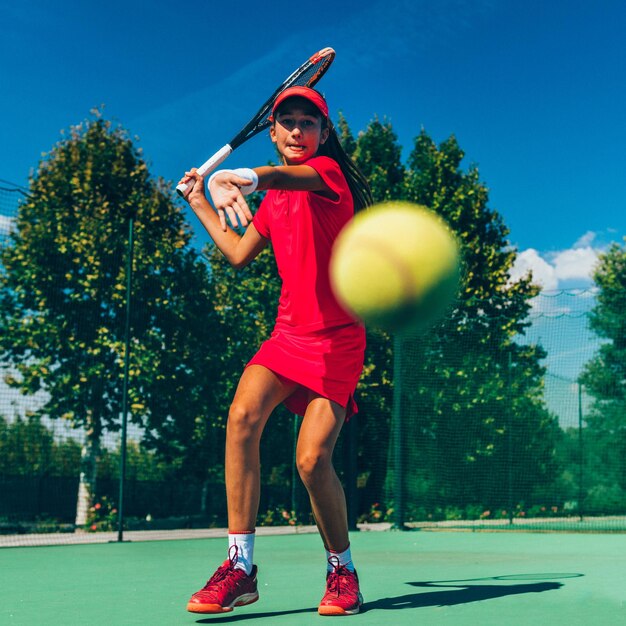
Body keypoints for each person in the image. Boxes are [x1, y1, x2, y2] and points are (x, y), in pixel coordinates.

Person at [178, 85, 373, 617]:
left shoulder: (328, 178)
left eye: (307, 123)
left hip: (338, 340)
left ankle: (343, 573)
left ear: (323, 134)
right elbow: (239, 252)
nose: (296, 131)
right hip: (288, 336)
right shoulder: (274, 203)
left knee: (312, 461)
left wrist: (242, 175)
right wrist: (200, 198)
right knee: (241, 416)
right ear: (272, 130)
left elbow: (282, 175)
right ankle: (239, 568)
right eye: (286, 121)